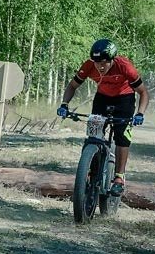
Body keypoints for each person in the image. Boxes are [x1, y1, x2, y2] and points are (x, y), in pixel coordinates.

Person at [55, 39, 149, 196]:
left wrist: (140, 113)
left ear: (112, 59)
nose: (100, 66)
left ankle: (119, 177)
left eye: (104, 62)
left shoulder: (125, 66)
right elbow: (72, 86)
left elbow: (143, 92)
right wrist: (64, 104)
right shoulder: (89, 66)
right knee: (93, 134)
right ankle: (89, 170)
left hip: (124, 99)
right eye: (97, 62)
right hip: (102, 98)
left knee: (122, 135)